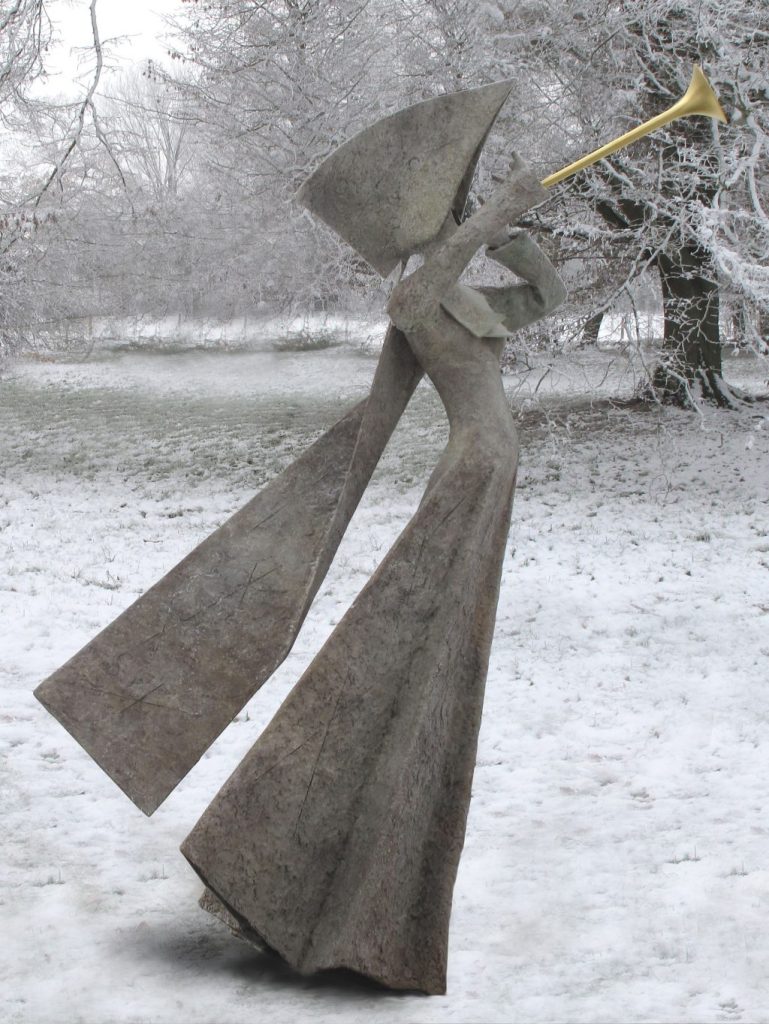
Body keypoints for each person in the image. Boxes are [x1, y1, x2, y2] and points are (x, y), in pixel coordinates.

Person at [181, 149, 566, 995]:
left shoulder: (465, 299)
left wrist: (516, 230)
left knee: (436, 651)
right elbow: (435, 281)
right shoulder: (414, 298)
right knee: (405, 643)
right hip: (469, 471)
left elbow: (545, 298)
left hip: (494, 471)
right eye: (445, 209)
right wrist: (491, 215)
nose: (455, 216)